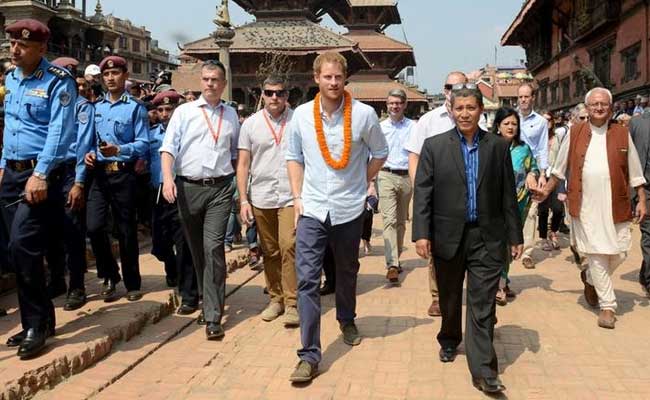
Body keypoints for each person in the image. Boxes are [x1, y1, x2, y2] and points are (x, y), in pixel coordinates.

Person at [412, 86, 523, 394]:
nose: (464, 113)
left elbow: (507, 196)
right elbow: (423, 192)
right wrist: (421, 233)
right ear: (451, 111)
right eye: (459, 108)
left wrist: (515, 235)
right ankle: (449, 338)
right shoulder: (434, 147)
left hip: (487, 236)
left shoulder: (497, 147)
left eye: (470, 108)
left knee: (482, 303)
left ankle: (484, 369)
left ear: (481, 110)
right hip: (447, 235)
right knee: (449, 297)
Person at [286, 52, 388, 382]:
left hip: (348, 207)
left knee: (347, 269)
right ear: (316, 78)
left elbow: (380, 152)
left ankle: (346, 317)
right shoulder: (301, 116)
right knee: (306, 278)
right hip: (313, 208)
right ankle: (309, 353)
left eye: (338, 77)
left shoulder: (364, 115)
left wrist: (363, 179)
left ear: (345, 80)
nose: (333, 82)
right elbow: (293, 157)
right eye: (327, 77)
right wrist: (298, 196)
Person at [533, 87, 646, 329]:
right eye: (594, 104)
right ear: (587, 107)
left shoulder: (622, 133)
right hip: (585, 205)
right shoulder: (575, 132)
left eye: (603, 103)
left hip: (616, 203)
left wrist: (642, 198)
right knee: (596, 253)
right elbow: (559, 168)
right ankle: (608, 306)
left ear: (611, 106)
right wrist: (547, 190)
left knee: (621, 251)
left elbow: (635, 170)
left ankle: (590, 277)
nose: (599, 107)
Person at [0, 19, 78, 359]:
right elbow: (11, 126)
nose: (15, 50)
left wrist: (41, 173)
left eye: (23, 45)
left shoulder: (58, 82)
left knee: (23, 243)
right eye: (12, 44)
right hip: (13, 173)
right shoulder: (11, 78)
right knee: (19, 252)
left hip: (40, 174)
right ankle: (42, 320)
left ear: (42, 49)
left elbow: (59, 133)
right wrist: (3, 166)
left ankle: (35, 326)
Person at [160, 59, 240, 341]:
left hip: (219, 189)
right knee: (197, 251)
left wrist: (238, 187)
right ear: (201, 81)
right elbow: (168, 149)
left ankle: (214, 315)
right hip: (187, 188)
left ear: (224, 83)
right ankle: (208, 300)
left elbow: (235, 155)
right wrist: (167, 179)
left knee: (213, 248)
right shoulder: (184, 112)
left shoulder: (230, 115)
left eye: (215, 79)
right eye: (206, 79)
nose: (210, 84)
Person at [404, 71, 478, 317]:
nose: (454, 90)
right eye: (449, 86)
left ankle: (477, 298)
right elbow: (413, 154)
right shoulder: (428, 120)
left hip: (470, 200)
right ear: (444, 90)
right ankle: (438, 296)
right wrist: (420, 186)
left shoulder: (477, 119)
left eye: (460, 86)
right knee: (437, 250)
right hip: (438, 198)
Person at [84, 56, 149, 302]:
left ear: (124, 75)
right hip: (99, 174)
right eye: (106, 74)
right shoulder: (96, 107)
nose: (110, 78)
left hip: (123, 173)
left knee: (125, 229)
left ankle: (133, 282)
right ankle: (110, 274)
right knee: (94, 226)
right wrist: (90, 153)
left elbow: (143, 143)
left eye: (115, 73)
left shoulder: (135, 107)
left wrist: (120, 150)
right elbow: (89, 141)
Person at [237, 75, 298, 326]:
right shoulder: (250, 125)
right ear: (262, 94)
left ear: (287, 96)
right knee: (270, 251)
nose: (275, 97)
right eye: (270, 92)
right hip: (261, 196)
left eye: (280, 93)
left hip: (291, 194)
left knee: (289, 246)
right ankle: (276, 299)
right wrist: (243, 200)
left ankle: (293, 303)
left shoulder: (298, 120)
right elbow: (243, 164)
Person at [45, 57, 95, 311]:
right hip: (45, 172)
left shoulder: (82, 107)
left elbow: (84, 146)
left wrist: (79, 182)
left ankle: (77, 285)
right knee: (49, 229)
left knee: (73, 230)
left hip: (68, 172)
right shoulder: (46, 102)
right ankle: (56, 279)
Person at [148, 90, 199, 313]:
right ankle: (172, 268)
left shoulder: (188, 133)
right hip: (157, 193)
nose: (165, 113)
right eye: (160, 110)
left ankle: (188, 290)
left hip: (180, 191)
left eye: (169, 109)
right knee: (159, 242)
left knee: (184, 242)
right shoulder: (151, 135)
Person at [491, 108, 539, 306]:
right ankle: (498, 283)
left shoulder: (523, 149)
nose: (511, 127)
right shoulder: (490, 146)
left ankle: (502, 281)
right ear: (498, 126)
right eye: (506, 123)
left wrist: (531, 174)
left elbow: (533, 167)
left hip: (517, 204)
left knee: (510, 245)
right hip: (493, 205)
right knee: (498, 245)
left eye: (514, 124)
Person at [378, 89, 414, 283]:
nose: (395, 106)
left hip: (406, 177)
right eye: (391, 103)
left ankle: (397, 258)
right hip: (386, 175)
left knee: (401, 221)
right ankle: (391, 263)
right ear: (386, 104)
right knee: (389, 220)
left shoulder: (414, 127)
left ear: (405, 105)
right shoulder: (380, 127)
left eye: (398, 103)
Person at [516, 83, 548, 269]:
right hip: (512, 169)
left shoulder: (541, 122)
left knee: (531, 211)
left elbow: (543, 148)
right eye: (520, 97)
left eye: (526, 96)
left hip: (532, 170)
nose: (523, 100)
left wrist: (543, 173)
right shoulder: (510, 118)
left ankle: (527, 252)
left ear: (533, 98)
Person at [627, 98, 650, 297]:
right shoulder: (637, 123)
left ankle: (645, 272)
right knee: (649, 234)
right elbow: (628, 160)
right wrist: (634, 195)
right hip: (646, 189)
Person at [537, 111, 565, 252]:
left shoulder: (557, 138)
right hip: (541, 176)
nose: (546, 122)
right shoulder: (535, 138)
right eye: (543, 120)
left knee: (558, 208)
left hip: (556, 176)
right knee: (542, 209)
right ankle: (543, 238)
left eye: (549, 120)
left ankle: (553, 232)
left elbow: (563, 157)